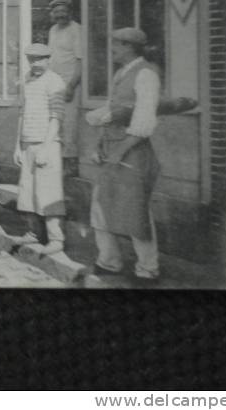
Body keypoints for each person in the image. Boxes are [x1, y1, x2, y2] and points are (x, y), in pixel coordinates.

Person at [86, 27, 162, 284]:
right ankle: (109, 262)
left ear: (129, 47)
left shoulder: (146, 75)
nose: (112, 50)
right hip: (113, 149)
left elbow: (144, 121)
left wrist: (119, 152)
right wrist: (100, 145)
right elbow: (111, 112)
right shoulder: (121, 74)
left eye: (116, 46)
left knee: (136, 213)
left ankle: (147, 269)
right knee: (100, 205)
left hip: (134, 152)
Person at [12, 43, 67, 255]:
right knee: (28, 190)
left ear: (48, 59)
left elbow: (57, 117)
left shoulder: (55, 82)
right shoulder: (26, 80)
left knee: (49, 192)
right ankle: (34, 233)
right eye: (31, 59)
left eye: (39, 59)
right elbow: (22, 113)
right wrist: (17, 145)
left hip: (48, 144)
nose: (34, 63)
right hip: (27, 143)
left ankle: (56, 239)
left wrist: (45, 147)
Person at [47, 0, 83, 176]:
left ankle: (71, 165)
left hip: (70, 84)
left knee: (70, 124)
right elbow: (51, 57)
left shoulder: (76, 30)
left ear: (70, 12)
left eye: (63, 11)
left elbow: (81, 61)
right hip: (54, 83)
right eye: (56, 12)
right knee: (55, 122)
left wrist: (71, 86)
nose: (60, 15)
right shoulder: (53, 30)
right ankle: (57, 161)